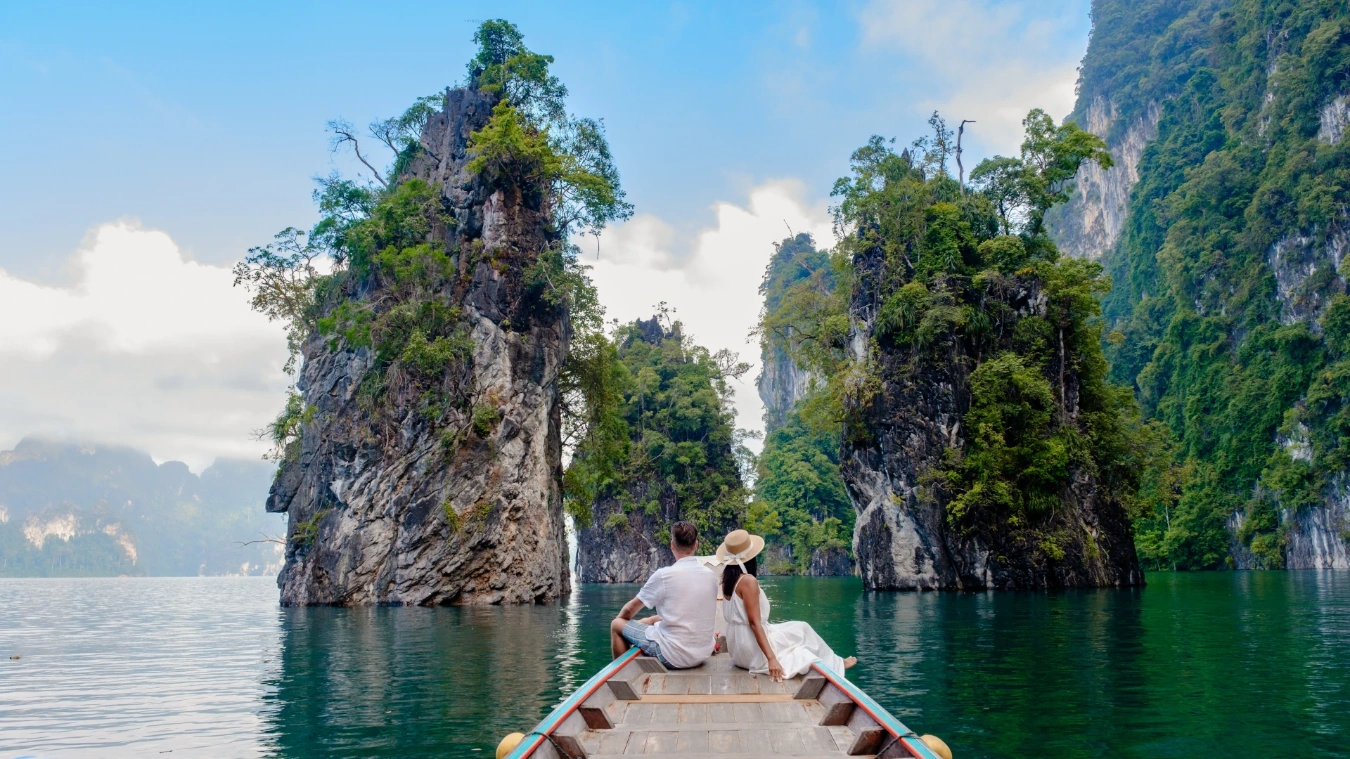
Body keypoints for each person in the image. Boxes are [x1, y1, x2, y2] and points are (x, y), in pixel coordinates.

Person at [718, 529, 857, 682]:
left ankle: (835, 662)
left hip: (737, 648)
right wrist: (771, 659)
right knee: (802, 632)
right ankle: (837, 664)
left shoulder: (728, 577)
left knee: (799, 628)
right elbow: (754, 623)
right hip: (751, 651)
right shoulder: (748, 581)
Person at [609, 521, 717, 669]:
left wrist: (622, 620)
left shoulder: (664, 575)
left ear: (672, 545)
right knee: (653, 619)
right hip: (703, 652)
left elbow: (629, 610)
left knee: (616, 625)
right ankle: (644, 624)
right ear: (696, 545)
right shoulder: (710, 575)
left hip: (673, 656)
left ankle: (623, 673)